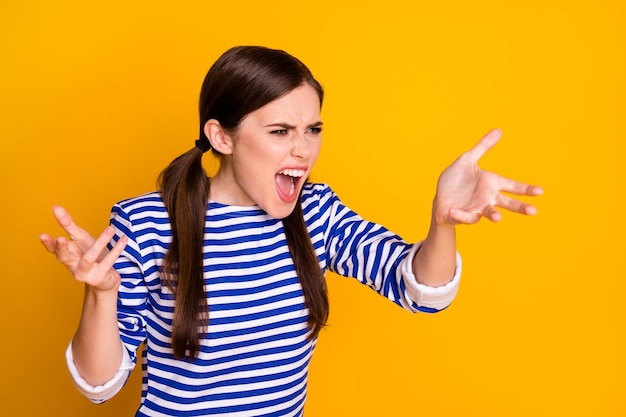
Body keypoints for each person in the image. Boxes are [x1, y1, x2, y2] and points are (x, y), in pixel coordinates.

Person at [39, 46, 543, 416]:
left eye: (313, 130)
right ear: (222, 136)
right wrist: (101, 293)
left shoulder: (317, 213)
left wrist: (442, 222)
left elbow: (422, 292)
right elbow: (99, 385)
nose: (303, 151)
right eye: (280, 131)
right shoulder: (147, 224)